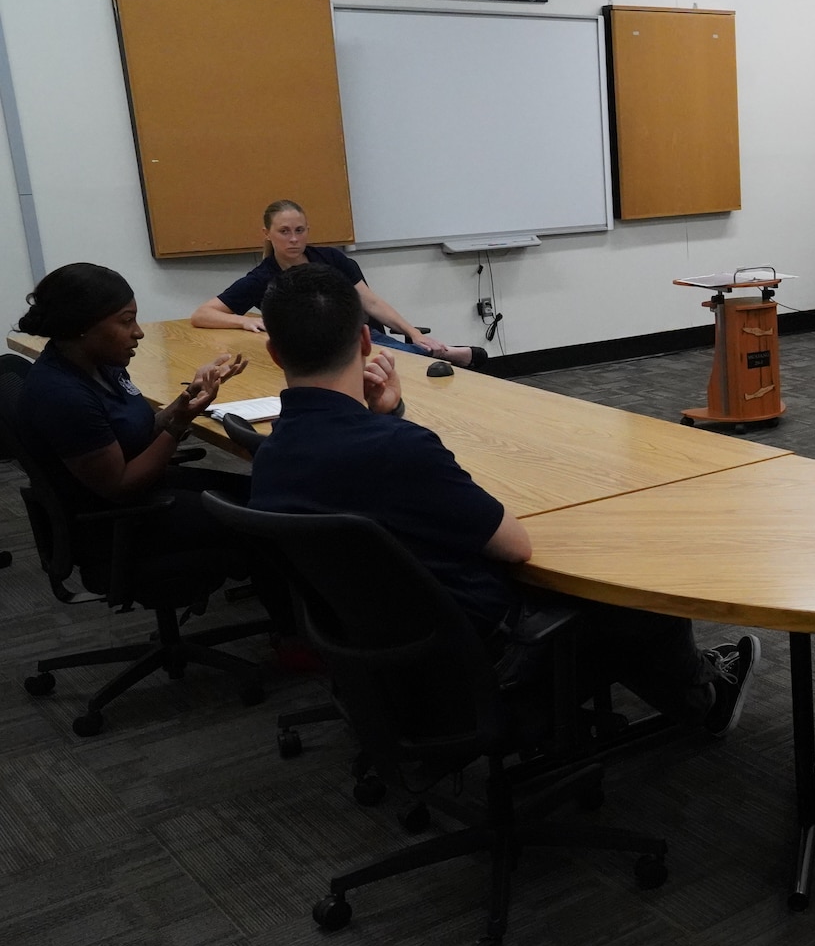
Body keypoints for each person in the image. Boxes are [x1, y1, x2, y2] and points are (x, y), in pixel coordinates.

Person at [247, 263, 760, 735]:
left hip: (383, 660)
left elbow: (370, 485)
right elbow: (515, 547)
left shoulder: (270, 458)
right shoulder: (400, 451)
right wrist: (394, 426)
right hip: (489, 660)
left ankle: (687, 684)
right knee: (636, 578)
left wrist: (387, 417)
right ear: (365, 340)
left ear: (274, 352)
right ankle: (702, 701)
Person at [13, 261, 254, 558]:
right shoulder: (63, 395)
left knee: (260, 494)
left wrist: (188, 395)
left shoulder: (101, 364)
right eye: (126, 321)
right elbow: (120, 486)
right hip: (119, 521)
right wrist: (178, 424)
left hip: (147, 490)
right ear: (82, 327)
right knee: (260, 522)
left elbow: (135, 430)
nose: (138, 332)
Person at [192, 199, 485, 369]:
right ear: (267, 234)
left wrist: (411, 332)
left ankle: (435, 351)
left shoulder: (331, 258)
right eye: (284, 231)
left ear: (308, 231)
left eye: (299, 230)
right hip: (309, 350)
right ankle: (444, 352)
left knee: (394, 359)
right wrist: (242, 323)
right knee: (395, 362)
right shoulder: (262, 277)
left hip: (353, 334)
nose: (293, 239)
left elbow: (371, 302)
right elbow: (203, 314)